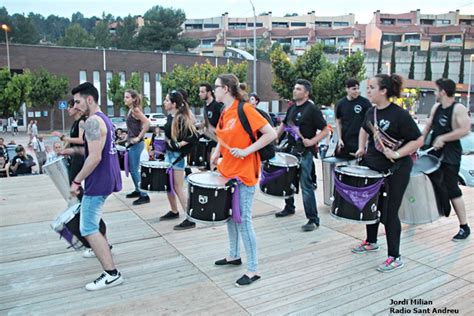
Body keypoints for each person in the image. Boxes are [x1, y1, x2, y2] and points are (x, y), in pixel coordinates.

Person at [210, 74, 276, 286]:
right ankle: (233, 255)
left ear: (227, 89)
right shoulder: (224, 111)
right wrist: (216, 151)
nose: (214, 90)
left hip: (244, 173)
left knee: (244, 221)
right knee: (230, 216)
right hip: (226, 171)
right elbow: (222, 135)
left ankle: (253, 269)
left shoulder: (245, 109)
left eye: (217, 87)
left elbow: (270, 133)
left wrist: (247, 150)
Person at [353, 74, 423, 272]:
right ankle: (371, 241)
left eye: (372, 87)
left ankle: (395, 256)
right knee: (370, 206)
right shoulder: (370, 112)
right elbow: (364, 130)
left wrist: (397, 153)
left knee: (390, 212)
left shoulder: (399, 115)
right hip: (373, 166)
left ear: (383, 91)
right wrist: (361, 148)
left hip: (396, 170)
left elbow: (418, 141)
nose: (368, 91)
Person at [65, 82, 123, 291]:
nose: (76, 105)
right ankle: (107, 258)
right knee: (93, 222)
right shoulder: (103, 119)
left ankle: (111, 273)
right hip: (105, 178)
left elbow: (95, 158)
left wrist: (77, 180)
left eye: (78, 101)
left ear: (90, 100)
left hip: (98, 181)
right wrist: (70, 152)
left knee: (88, 227)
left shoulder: (91, 122)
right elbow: (91, 152)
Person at [274, 79, 329, 232]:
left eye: (298, 89)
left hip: (305, 153)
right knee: (287, 180)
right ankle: (289, 207)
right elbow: (285, 124)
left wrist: (312, 141)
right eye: (294, 88)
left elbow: (326, 131)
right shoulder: (292, 108)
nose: (294, 91)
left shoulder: (312, 110)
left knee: (306, 185)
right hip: (291, 150)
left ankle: (313, 219)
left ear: (306, 93)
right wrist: (275, 136)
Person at [423, 78, 471, 241]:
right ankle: (440, 206)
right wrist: (417, 142)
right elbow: (428, 126)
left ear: (443, 91)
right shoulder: (436, 107)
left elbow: (465, 130)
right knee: (426, 180)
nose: (435, 93)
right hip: (434, 152)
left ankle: (464, 226)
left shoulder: (458, 109)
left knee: (452, 189)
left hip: (451, 155)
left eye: (436, 90)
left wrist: (444, 138)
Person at [159, 90, 199, 230]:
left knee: (178, 187)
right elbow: (168, 135)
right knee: (169, 185)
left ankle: (190, 218)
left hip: (177, 157)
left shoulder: (181, 118)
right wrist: (167, 140)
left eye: (167, 100)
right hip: (169, 155)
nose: (164, 102)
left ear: (174, 104)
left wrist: (180, 144)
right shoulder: (171, 116)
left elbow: (194, 136)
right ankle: (174, 211)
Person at [123, 89, 151, 205]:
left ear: (134, 98)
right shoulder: (130, 110)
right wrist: (125, 138)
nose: (125, 99)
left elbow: (147, 123)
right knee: (132, 168)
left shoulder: (135, 110)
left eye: (127, 97)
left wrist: (139, 137)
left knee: (134, 169)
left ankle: (144, 195)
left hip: (137, 144)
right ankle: (137, 190)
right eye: (125, 97)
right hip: (132, 142)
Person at [335, 78, 372, 159]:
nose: (356, 91)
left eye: (358, 88)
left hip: (359, 142)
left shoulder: (365, 103)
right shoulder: (340, 104)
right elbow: (338, 122)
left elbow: (370, 123)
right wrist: (340, 139)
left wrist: (366, 143)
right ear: (347, 89)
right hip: (345, 142)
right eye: (354, 89)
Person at [53, 99, 87, 184]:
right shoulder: (75, 123)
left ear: (76, 108)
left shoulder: (81, 122)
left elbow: (81, 140)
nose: (68, 109)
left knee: (73, 182)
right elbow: (72, 139)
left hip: (80, 155)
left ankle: (82, 197)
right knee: (72, 181)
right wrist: (63, 150)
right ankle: (81, 197)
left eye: (70, 107)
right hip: (74, 155)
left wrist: (63, 137)